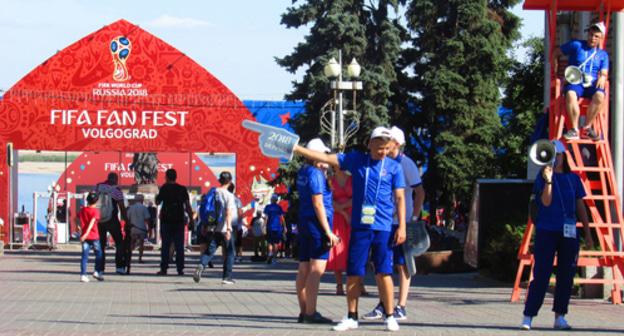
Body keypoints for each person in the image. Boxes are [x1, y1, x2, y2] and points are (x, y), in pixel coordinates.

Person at [292, 126, 406, 332]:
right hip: (360, 227)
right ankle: (352, 316)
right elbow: (327, 159)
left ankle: (389, 315)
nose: (383, 151)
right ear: (370, 144)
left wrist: (403, 226)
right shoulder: (357, 160)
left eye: (386, 147)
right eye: (379, 147)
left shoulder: (394, 167)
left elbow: (399, 197)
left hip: (383, 227)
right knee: (354, 272)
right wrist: (298, 149)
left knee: (384, 272)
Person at [521, 140, 594, 331]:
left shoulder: (574, 179)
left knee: (566, 274)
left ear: (564, 156)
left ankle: (560, 316)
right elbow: (546, 201)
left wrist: (587, 232)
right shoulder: (542, 177)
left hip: (568, 232)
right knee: (541, 274)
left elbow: (580, 206)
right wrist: (549, 180)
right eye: (552, 156)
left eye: (558, 155)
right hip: (547, 230)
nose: (555, 159)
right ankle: (528, 315)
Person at [362, 126, 425, 321]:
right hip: (383, 222)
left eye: (389, 144)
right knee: (381, 264)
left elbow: (419, 192)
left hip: (401, 222)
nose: (385, 147)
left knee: (402, 264)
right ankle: (384, 304)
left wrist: (413, 218)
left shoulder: (406, 164)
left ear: (396, 144)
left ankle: (401, 305)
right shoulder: (383, 163)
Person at [295, 138, 340, 324]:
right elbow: (318, 203)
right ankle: (311, 313)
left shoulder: (303, 172)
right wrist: (328, 231)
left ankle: (304, 310)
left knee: (304, 267)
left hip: (304, 221)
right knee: (316, 269)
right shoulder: (315, 174)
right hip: (317, 224)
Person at [557, 21, 609, 141]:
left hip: (592, 84)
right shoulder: (576, 45)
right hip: (576, 81)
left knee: (600, 95)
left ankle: (587, 128)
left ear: (601, 38)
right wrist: (555, 67)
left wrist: (602, 76)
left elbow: (604, 71)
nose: (592, 38)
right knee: (570, 94)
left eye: (596, 36)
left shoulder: (603, 55)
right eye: (591, 35)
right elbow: (556, 52)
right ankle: (574, 129)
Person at [193, 171, 237, 284]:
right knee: (230, 253)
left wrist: (204, 225)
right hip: (224, 229)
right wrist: (228, 229)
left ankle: (201, 265)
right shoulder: (229, 195)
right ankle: (226, 278)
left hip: (214, 228)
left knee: (210, 251)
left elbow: (206, 209)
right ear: (230, 181)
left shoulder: (213, 192)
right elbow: (228, 213)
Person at [156, 168, 194, 276]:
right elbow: (187, 206)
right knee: (179, 246)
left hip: (166, 221)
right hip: (179, 221)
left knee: (165, 246)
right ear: (176, 177)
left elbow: (158, 202)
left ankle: (164, 269)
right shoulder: (182, 189)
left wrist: (157, 197)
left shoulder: (164, 188)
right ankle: (180, 269)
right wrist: (191, 220)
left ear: (166, 177)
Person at [96, 172, 127, 274]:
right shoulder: (116, 190)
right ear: (116, 180)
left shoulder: (98, 187)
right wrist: (126, 220)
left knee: (101, 244)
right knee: (119, 243)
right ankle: (119, 267)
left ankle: (100, 268)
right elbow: (122, 206)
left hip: (100, 220)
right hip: (112, 219)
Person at [327, 170, 352, 296]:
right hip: (337, 217)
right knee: (337, 249)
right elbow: (328, 200)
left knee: (353, 250)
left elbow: (358, 197)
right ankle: (339, 285)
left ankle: (358, 284)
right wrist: (343, 212)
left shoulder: (352, 178)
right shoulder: (330, 180)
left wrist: (346, 211)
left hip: (352, 217)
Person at [78, 192, 104, 282]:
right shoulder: (95, 211)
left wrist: (81, 231)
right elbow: (92, 223)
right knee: (99, 254)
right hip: (94, 235)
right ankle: (97, 271)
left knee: (84, 256)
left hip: (85, 238)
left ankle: (83, 274)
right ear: (96, 201)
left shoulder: (82, 210)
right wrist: (86, 233)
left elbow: (76, 219)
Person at [127, 194, 151, 265]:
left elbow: (127, 218)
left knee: (131, 243)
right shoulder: (144, 208)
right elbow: (147, 219)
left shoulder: (130, 208)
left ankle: (129, 258)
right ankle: (140, 258)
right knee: (141, 244)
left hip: (133, 228)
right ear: (142, 200)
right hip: (141, 228)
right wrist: (149, 228)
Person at [264, 194, 285, 264]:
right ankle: (274, 259)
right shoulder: (279, 207)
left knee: (270, 242)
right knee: (276, 243)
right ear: (276, 200)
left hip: (270, 227)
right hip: (278, 227)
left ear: (271, 200)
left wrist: (264, 226)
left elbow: (266, 218)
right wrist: (285, 227)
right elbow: (282, 218)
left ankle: (270, 253)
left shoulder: (268, 207)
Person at [228, 184, 244, 263]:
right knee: (235, 240)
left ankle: (235, 255)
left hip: (230, 223)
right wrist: (239, 223)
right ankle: (237, 255)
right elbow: (240, 212)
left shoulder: (227, 198)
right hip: (234, 223)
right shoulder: (237, 199)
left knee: (232, 240)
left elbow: (240, 212)